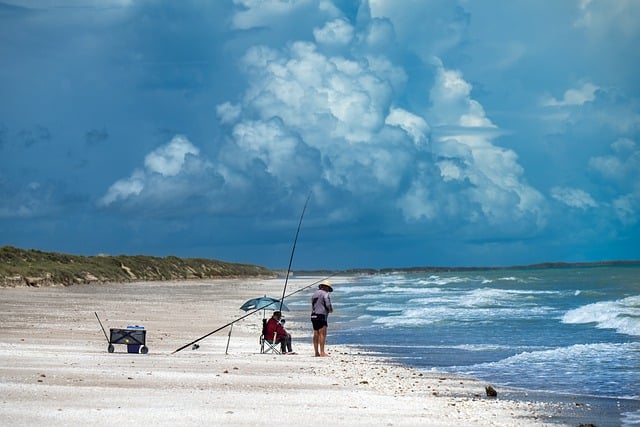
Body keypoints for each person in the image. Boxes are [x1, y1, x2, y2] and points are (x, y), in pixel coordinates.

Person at [311, 280, 333, 357]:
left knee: (316, 334)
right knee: (322, 334)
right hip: (321, 315)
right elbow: (328, 304)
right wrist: (330, 310)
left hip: (313, 315)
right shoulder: (325, 294)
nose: (328, 290)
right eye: (328, 288)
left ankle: (316, 352)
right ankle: (322, 352)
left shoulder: (314, 294)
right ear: (325, 287)